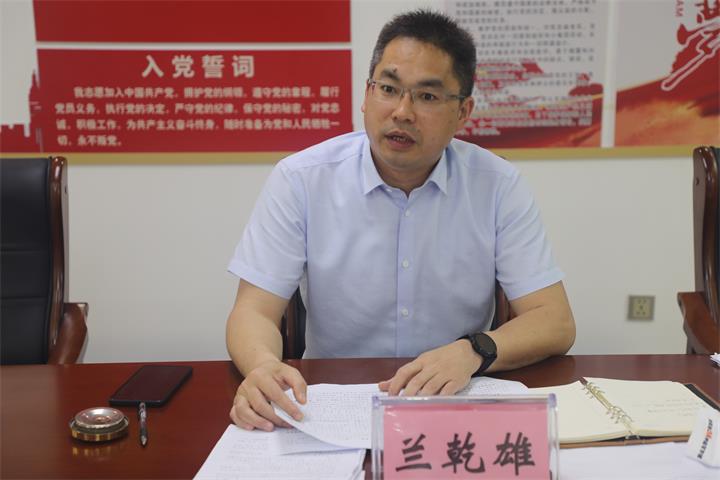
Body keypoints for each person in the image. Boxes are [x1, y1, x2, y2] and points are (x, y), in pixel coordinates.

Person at [226, 9, 575, 432]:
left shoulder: (497, 185)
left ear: (463, 112)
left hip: (454, 397)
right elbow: (253, 312)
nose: (402, 112)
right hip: (330, 403)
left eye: (427, 96)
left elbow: (554, 320)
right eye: (389, 89)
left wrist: (474, 350)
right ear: (366, 94)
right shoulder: (301, 179)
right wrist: (262, 366)